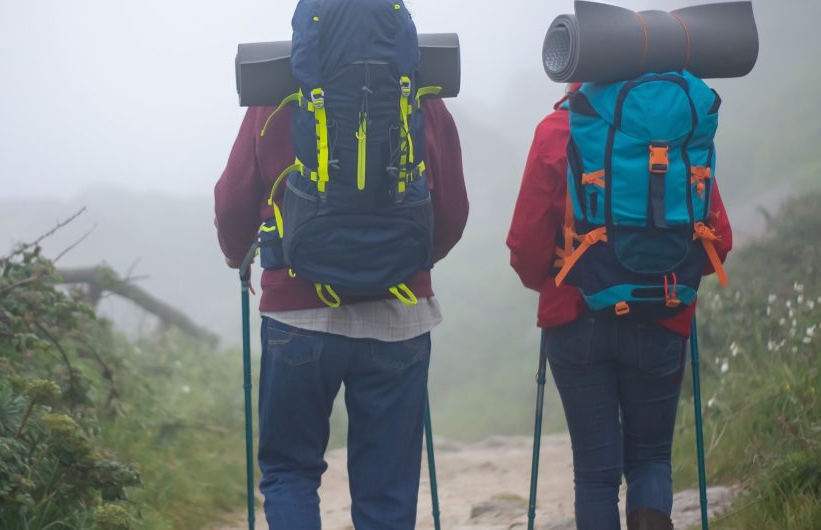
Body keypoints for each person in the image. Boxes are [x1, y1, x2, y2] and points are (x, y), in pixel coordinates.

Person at [214, 92, 468, 527]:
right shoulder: (416, 91)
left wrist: (236, 251)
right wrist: (405, 263)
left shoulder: (277, 90)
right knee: (387, 485)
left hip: (296, 313)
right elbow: (451, 211)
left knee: (290, 470)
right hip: (399, 315)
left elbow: (234, 198)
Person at [506, 84, 734, 530]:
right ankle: (650, 515)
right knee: (651, 457)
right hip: (663, 310)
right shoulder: (679, 132)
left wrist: (555, 278)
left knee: (595, 473)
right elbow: (718, 242)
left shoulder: (559, 129)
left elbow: (525, 246)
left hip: (575, 318)